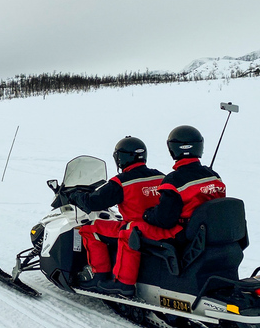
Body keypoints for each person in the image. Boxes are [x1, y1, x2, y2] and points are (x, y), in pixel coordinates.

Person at [95, 125, 226, 297]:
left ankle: (124, 284)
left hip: (183, 234)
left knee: (129, 230)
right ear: (199, 146)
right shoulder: (214, 176)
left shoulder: (174, 180)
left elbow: (165, 220)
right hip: (212, 233)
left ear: (172, 150)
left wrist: (148, 214)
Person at [68, 137, 164, 291]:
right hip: (160, 228)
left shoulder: (122, 182)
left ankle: (99, 275)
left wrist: (75, 196)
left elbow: (93, 203)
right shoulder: (160, 176)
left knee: (89, 229)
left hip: (134, 229)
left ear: (120, 158)